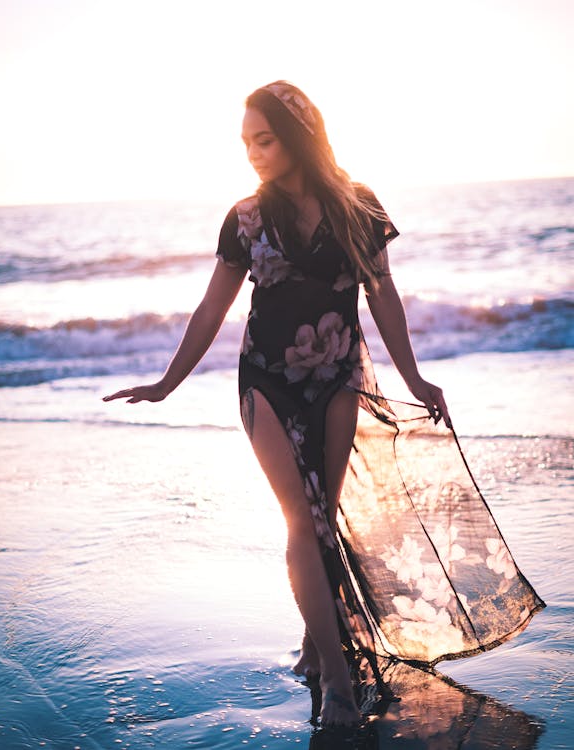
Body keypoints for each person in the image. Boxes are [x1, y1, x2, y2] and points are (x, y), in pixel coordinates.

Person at [103, 81, 544, 728]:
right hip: (266, 381)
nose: (253, 152)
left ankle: (315, 638)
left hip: (339, 374)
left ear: (298, 136)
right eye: (246, 141)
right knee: (302, 524)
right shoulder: (246, 217)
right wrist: (168, 381)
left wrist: (416, 379)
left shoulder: (357, 206)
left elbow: (383, 295)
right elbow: (210, 308)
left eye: (266, 138)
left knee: (325, 521)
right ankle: (338, 679)